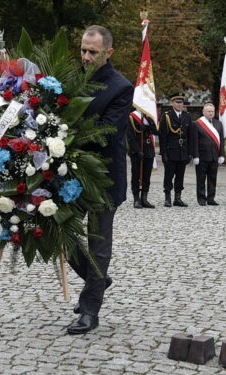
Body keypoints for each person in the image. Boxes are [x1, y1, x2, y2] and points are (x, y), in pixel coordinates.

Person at [66, 25, 133, 335]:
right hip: (70, 175)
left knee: (98, 245)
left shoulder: (120, 87)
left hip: (105, 178)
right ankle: (98, 280)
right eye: (83, 49)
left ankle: (90, 311)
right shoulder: (70, 80)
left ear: (109, 52)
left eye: (93, 52)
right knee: (60, 233)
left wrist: (63, 137)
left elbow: (106, 132)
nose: (86, 56)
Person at [159, 93, 192, 207]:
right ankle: (167, 197)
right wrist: (163, 153)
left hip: (183, 152)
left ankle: (177, 198)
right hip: (170, 151)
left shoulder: (187, 116)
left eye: (181, 102)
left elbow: (190, 136)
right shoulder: (167, 116)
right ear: (172, 103)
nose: (179, 104)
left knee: (180, 176)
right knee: (169, 176)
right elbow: (163, 136)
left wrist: (190, 153)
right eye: (177, 102)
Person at [190, 103, 224, 206]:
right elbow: (194, 141)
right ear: (203, 112)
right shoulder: (197, 124)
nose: (210, 113)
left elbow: (221, 140)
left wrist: (221, 154)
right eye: (209, 111)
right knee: (201, 179)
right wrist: (195, 156)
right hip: (202, 156)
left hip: (214, 156)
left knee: (212, 179)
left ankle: (211, 198)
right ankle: (201, 199)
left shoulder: (218, 123)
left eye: (212, 111)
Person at [127, 110, 156, 208]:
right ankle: (136, 199)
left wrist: (148, 127)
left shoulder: (149, 116)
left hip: (148, 150)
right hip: (137, 151)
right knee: (136, 174)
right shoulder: (131, 117)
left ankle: (144, 198)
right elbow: (130, 136)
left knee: (147, 175)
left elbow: (156, 131)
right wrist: (137, 150)